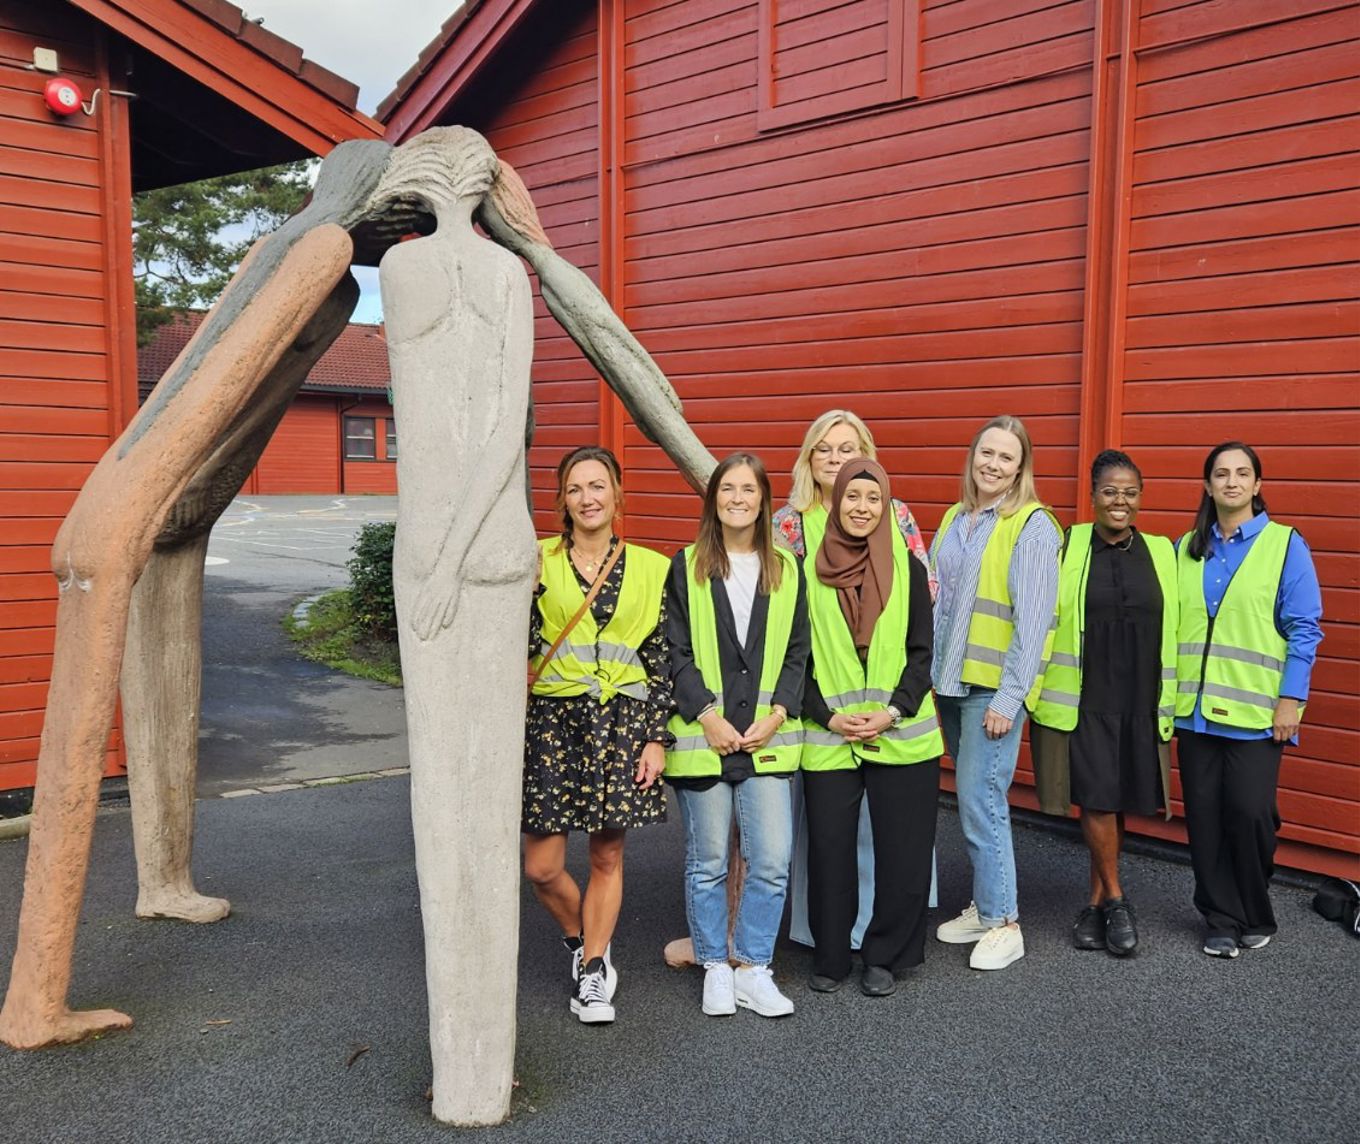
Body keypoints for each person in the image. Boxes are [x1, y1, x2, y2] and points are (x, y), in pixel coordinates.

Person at [772, 409, 935, 953]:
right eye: (825, 448)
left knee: (892, 842)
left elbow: (920, 601)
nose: (837, 458)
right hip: (823, 713)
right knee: (827, 842)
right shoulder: (791, 524)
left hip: (893, 716)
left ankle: (884, 940)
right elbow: (783, 623)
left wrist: (895, 704)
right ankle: (825, 940)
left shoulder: (895, 516)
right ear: (809, 457)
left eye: (848, 447)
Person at [523, 446, 672, 1023]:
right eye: (576, 488)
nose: (588, 498)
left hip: (623, 724)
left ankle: (591, 974)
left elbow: (662, 659)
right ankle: (585, 940)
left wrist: (657, 738)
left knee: (607, 853)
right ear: (563, 499)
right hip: (553, 722)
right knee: (541, 865)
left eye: (598, 486)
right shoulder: (535, 560)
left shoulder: (654, 568)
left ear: (617, 494)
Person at [665, 453, 809, 1018]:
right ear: (714, 499)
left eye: (748, 489)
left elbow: (798, 651)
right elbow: (673, 650)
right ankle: (715, 968)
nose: (738, 498)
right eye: (728, 489)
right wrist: (707, 715)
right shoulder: (688, 565)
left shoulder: (787, 567)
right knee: (708, 863)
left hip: (768, 740)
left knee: (771, 859)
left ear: (763, 499)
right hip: (707, 739)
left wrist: (777, 714)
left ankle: (753, 966)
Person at [1174, 441, 1323, 959]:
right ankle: (1218, 916)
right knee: (1206, 819)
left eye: (1242, 474)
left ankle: (1253, 909)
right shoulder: (1186, 548)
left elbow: (1304, 629)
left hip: (1257, 712)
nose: (1231, 482)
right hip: (1192, 712)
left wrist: (1291, 699)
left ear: (1258, 485)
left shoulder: (1285, 546)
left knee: (1250, 813)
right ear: (1208, 485)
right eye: (1221, 473)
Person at [801, 460, 943, 996]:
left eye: (873, 498)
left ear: (886, 506)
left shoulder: (907, 567)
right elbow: (797, 659)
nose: (861, 507)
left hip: (901, 733)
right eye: (851, 497)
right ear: (835, 503)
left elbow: (923, 653)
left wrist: (893, 711)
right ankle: (831, 957)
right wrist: (826, 714)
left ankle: (886, 955)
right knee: (830, 852)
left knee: (903, 856)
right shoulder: (805, 569)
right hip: (830, 735)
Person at [1029, 450, 1178, 958]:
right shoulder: (1067, 546)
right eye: (1110, 491)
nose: (1120, 500)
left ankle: (1093, 906)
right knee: (1095, 796)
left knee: (1118, 798)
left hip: (1141, 692)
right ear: (1093, 496)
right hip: (1084, 693)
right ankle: (1117, 899)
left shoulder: (1164, 552)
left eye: (1130, 491)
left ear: (1140, 497)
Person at [931, 414, 1059, 971]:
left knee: (983, 803)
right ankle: (986, 908)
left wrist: (1010, 698)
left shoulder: (1032, 525)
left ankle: (1005, 922)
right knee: (970, 800)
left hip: (990, 692)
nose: (993, 464)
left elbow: (1033, 624)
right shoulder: (954, 519)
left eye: (1007, 457)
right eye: (987, 452)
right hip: (949, 685)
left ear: (1021, 467)